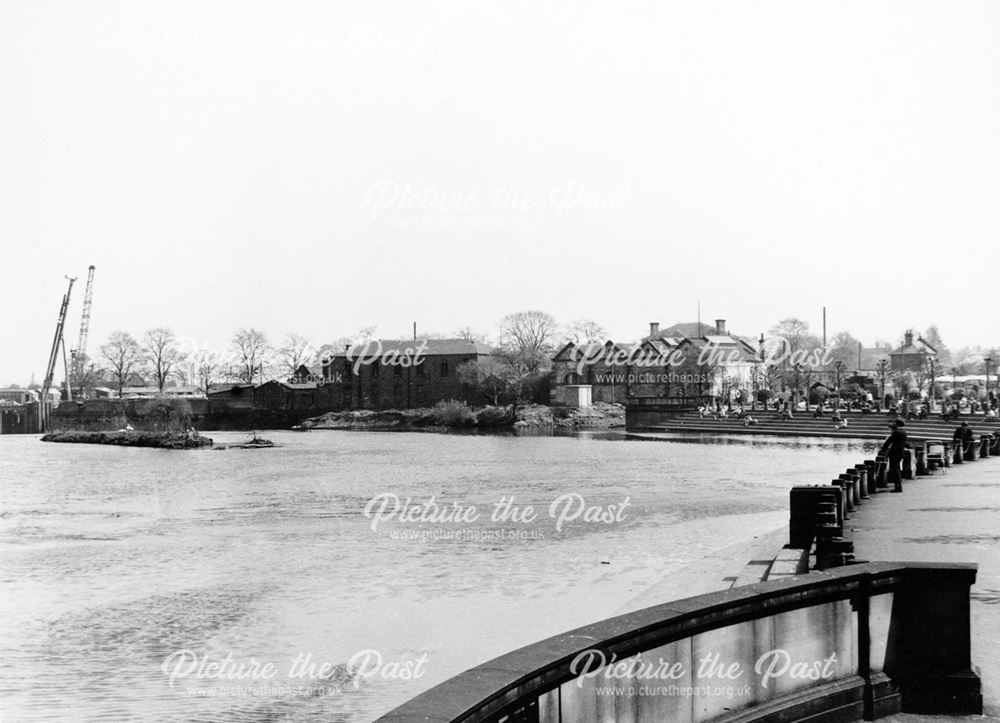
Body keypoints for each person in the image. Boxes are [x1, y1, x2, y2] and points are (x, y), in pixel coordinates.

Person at [879, 420, 908, 492]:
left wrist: (883, 449)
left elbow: (889, 441)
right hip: (900, 453)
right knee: (897, 469)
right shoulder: (904, 432)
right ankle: (898, 486)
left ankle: (898, 487)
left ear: (897, 425)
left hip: (895, 453)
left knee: (894, 470)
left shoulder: (897, 432)